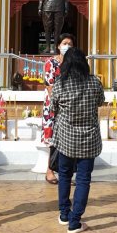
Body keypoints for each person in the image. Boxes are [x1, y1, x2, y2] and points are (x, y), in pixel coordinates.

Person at [51, 47, 105, 233]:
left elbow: (53, 107)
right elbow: (100, 101)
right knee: (83, 179)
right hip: (88, 138)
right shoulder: (94, 83)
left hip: (66, 138)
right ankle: (75, 221)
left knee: (64, 175)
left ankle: (65, 214)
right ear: (84, 63)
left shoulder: (60, 84)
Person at [42, 33, 76, 184]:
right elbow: (50, 86)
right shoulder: (51, 63)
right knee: (53, 139)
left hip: (70, 106)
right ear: (58, 45)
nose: (67, 46)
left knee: (67, 139)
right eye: (64, 43)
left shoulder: (74, 63)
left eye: (70, 43)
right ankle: (49, 170)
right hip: (54, 106)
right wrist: (59, 105)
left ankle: (65, 173)